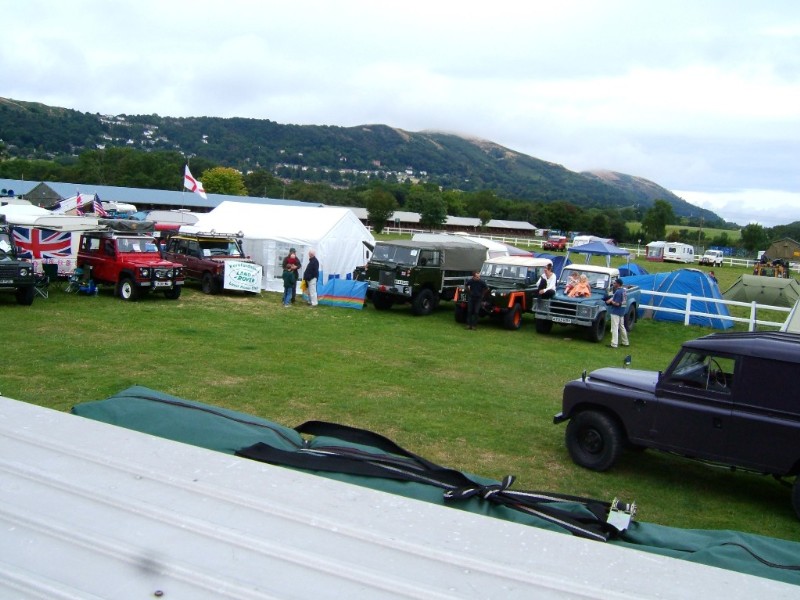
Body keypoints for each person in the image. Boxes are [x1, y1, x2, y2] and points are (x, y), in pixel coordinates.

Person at [605, 278, 629, 348]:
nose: (613, 284)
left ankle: (614, 344)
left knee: (614, 328)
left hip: (616, 311)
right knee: (622, 327)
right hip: (622, 311)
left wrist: (610, 301)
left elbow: (617, 304)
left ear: (618, 284)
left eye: (615, 283)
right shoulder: (624, 291)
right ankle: (625, 342)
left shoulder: (618, 292)